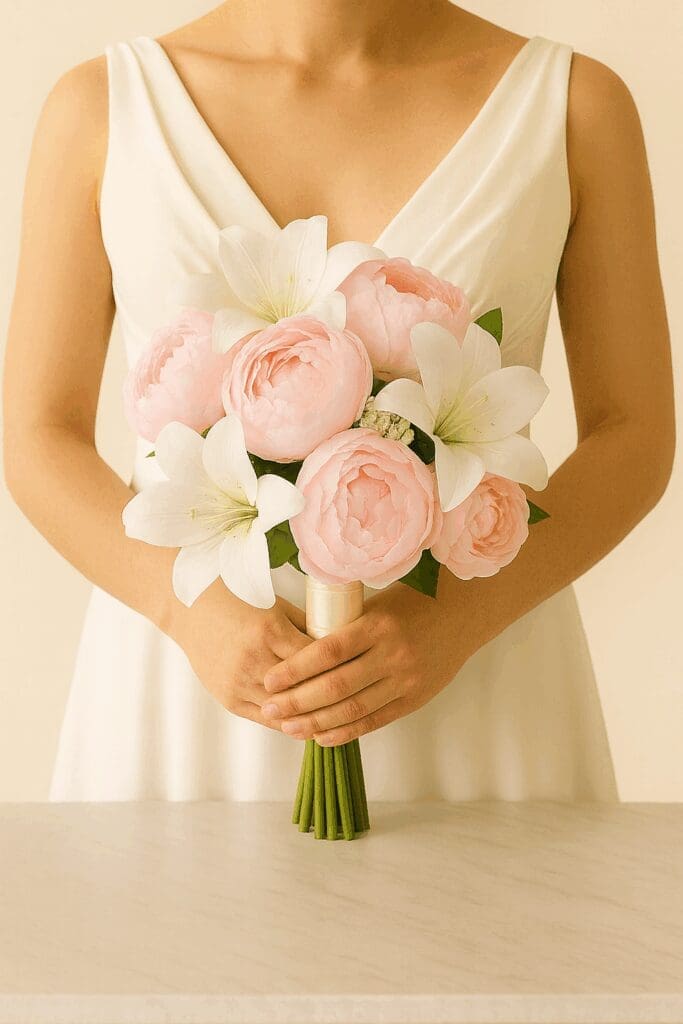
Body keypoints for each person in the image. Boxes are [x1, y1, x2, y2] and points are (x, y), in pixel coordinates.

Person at [3, 1, 674, 802]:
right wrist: (184, 613)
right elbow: (37, 431)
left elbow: (632, 432)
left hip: (478, 684)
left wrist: (455, 622)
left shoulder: (571, 106)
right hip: (187, 686)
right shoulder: (101, 105)